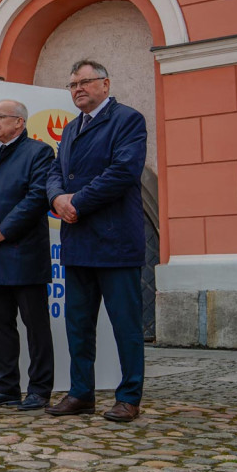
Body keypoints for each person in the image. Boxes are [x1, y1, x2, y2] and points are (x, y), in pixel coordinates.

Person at [45, 60, 147, 422]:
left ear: (105, 84)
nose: (78, 89)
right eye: (72, 85)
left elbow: (122, 172)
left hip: (116, 241)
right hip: (79, 242)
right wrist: (57, 199)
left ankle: (129, 396)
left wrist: (77, 202)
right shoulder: (70, 130)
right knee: (78, 326)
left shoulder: (128, 120)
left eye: (85, 82)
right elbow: (55, 173)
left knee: (126, 326)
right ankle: (80, 393)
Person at [0, 99, 56, 411]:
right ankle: (5, 387)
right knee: (0, 325)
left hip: (23, 253)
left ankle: (39, 389)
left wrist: (2, 231)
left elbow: (36, 198)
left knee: (36, 326)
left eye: (0, 117)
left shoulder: (39, 152)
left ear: (19, 122)